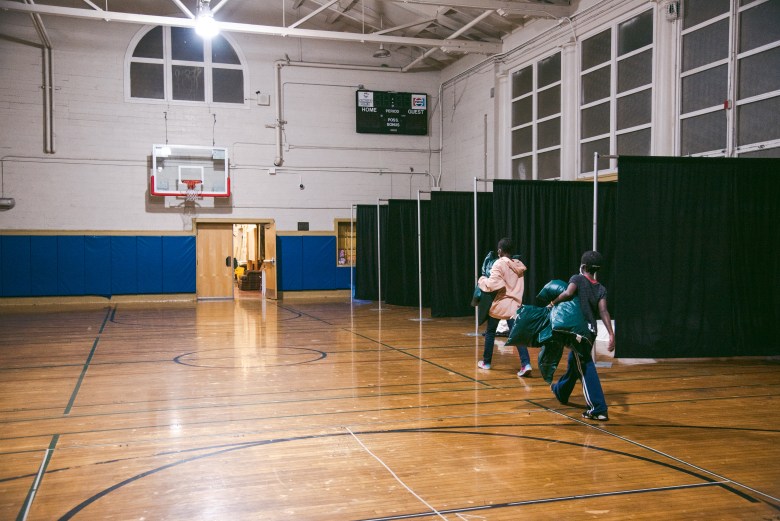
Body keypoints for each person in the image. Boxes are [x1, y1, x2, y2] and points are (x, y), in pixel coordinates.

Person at [549, 250, 615, 421]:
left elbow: (568, 293)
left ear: (584, 266)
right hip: (591, 332)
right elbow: (604, 311)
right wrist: (611, 334)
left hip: (578, 332)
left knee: (585, 365)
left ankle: (598, 408)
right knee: (575, 361)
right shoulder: (600, 288)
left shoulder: (577, 279)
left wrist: (553, 303)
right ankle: (561, 391)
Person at [476, 237, 533, 377]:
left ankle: (486, 362)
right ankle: (526, 364)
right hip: (515, 305)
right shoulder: (518, 265)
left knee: (490, 332)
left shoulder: (499, 264)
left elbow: (492, 285)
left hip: (501, 304)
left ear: (500, 251)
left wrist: (482, 280)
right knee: (517, 335)